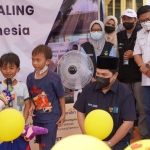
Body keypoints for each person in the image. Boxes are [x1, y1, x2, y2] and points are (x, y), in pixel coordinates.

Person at [74, 56, 136, 150]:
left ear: (115, 75)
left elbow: (128, 123)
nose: (100, 77)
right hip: (92, 140)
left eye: (104, 75)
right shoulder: (88, 89)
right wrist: (86, 135)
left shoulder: (125, 94)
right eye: (98, 74)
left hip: (117, 142)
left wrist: (109, 143)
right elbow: (80, 112)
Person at [27, 44, 65, 150]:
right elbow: (30, 96)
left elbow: (61, 96)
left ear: (48, 61)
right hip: (37, 118)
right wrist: (31, 106)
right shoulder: (30, 78)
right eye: (33, 59)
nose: (35, 63)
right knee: (41, 144)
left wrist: (63, 114)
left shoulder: (54, 78)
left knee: (47, 146)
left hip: (51, 119)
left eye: (38, 60)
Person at [117, 9, 148, 139]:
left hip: (139, 77)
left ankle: (144, 133)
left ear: (136, 20)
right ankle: (126, 134)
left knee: (142, 107)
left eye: (129, 19)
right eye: (124, 19)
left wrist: (133, 56)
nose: (126, 21)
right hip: (123, 77)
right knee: (125, 107)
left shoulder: (141, 33)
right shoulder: (118, 36)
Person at [0, 53, 31, 150]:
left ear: (18, 69)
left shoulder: (22, 86)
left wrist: (22, 123)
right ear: (0, 69)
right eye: (4, 68)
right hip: (3, 129)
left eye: (11, 68)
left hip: (19, 128)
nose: (8, 71)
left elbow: (27, 106)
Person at [134, 5, 150, 138]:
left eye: (148, 19)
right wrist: (143, 67)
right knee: (147, 110)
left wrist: (147, 66)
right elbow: (136, 53)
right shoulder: (140, 34)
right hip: (146, 79)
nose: (146, 22)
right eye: (142, 21)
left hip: (147, 71)